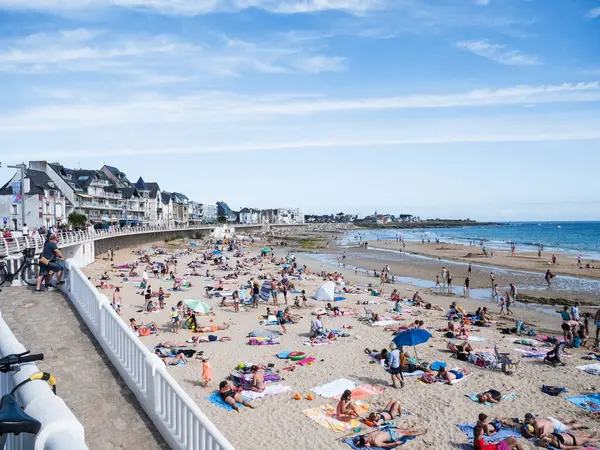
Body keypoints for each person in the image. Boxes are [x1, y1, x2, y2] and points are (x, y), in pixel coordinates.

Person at [355, 427, 426, 448]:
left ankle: (417, 428)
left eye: (366, 437)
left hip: (388, 430)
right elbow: (385, 445)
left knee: (405, 430)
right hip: (392, 436)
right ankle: (421, 433)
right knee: (406, 433)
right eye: (367, 438)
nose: (367, 437)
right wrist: (395, 443)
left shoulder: (366, 435)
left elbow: (361, 436)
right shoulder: (376, 442)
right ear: (367, 442)